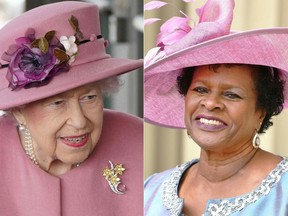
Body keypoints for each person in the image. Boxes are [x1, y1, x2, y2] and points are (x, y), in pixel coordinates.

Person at [144, 0, 288, 215]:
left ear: (262, 111)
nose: (210, 103)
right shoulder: (150, 189)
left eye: (231, 95)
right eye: (200, 90)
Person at [0, 1, 143, 215]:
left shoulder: (137, 139)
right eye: (57, 103)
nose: (79, 121)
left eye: (89, 97)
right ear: (19, 111)